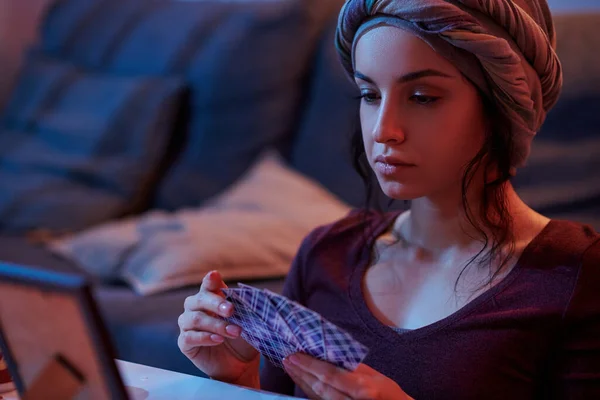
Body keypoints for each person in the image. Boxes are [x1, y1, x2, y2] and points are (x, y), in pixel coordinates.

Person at [177, 0, 600, 398]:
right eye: (370, 95)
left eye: (422, 97)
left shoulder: (575, 273)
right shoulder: (327, 252)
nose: (383, 130)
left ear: (502, 106)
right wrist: (237, 380)